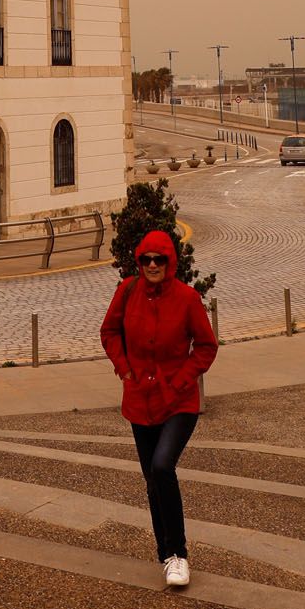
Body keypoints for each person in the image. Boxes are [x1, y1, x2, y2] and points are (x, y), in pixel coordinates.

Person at [99, 227, 218, 588]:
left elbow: (206, 346)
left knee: (163, 466)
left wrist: (182, 379)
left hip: (178, 400)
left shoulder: (187, 298)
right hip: (139, 400)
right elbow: (109, 332)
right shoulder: (127, 291)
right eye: (147, 259)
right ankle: (166, 555)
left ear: (171, 262)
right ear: (139, 261)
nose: (153, 265)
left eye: (159, 259)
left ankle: (179, 553)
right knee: (152, 479)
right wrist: (124, 366)